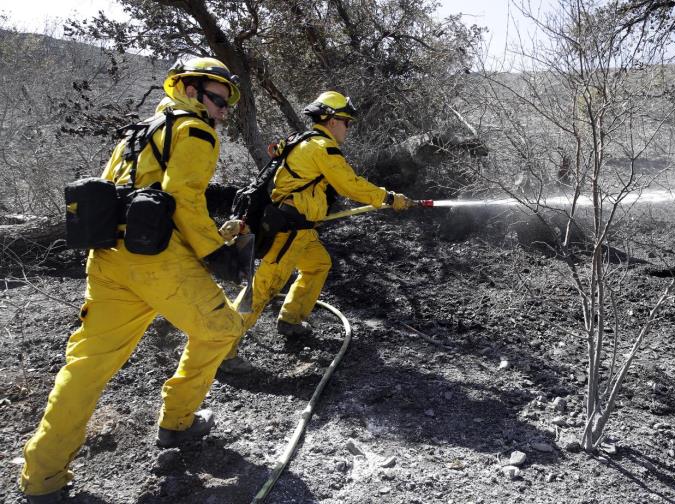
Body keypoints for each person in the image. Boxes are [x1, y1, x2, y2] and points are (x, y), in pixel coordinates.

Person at [19, 57, 246, 503]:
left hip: (107, 258)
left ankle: (42, 477)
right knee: (223, 328)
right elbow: (182, 199)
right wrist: (217, 253)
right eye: (219, 100)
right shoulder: (195, 130)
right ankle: (177, 423)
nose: (223, 111)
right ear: (193, 90)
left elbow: (115, 189)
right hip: (158, 262)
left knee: (85, 366)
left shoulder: (138, 130)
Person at [218, 91, 411, 374]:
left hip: (302, 229)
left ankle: (290, 320)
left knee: (318, 265)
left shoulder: (304, 140)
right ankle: (222, 350)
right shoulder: (322, 147)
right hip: (289, 231)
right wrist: (389, 198)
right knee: (263, 289)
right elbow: (350, 184)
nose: (348, 127)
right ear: (331, 121)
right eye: (346, 121)